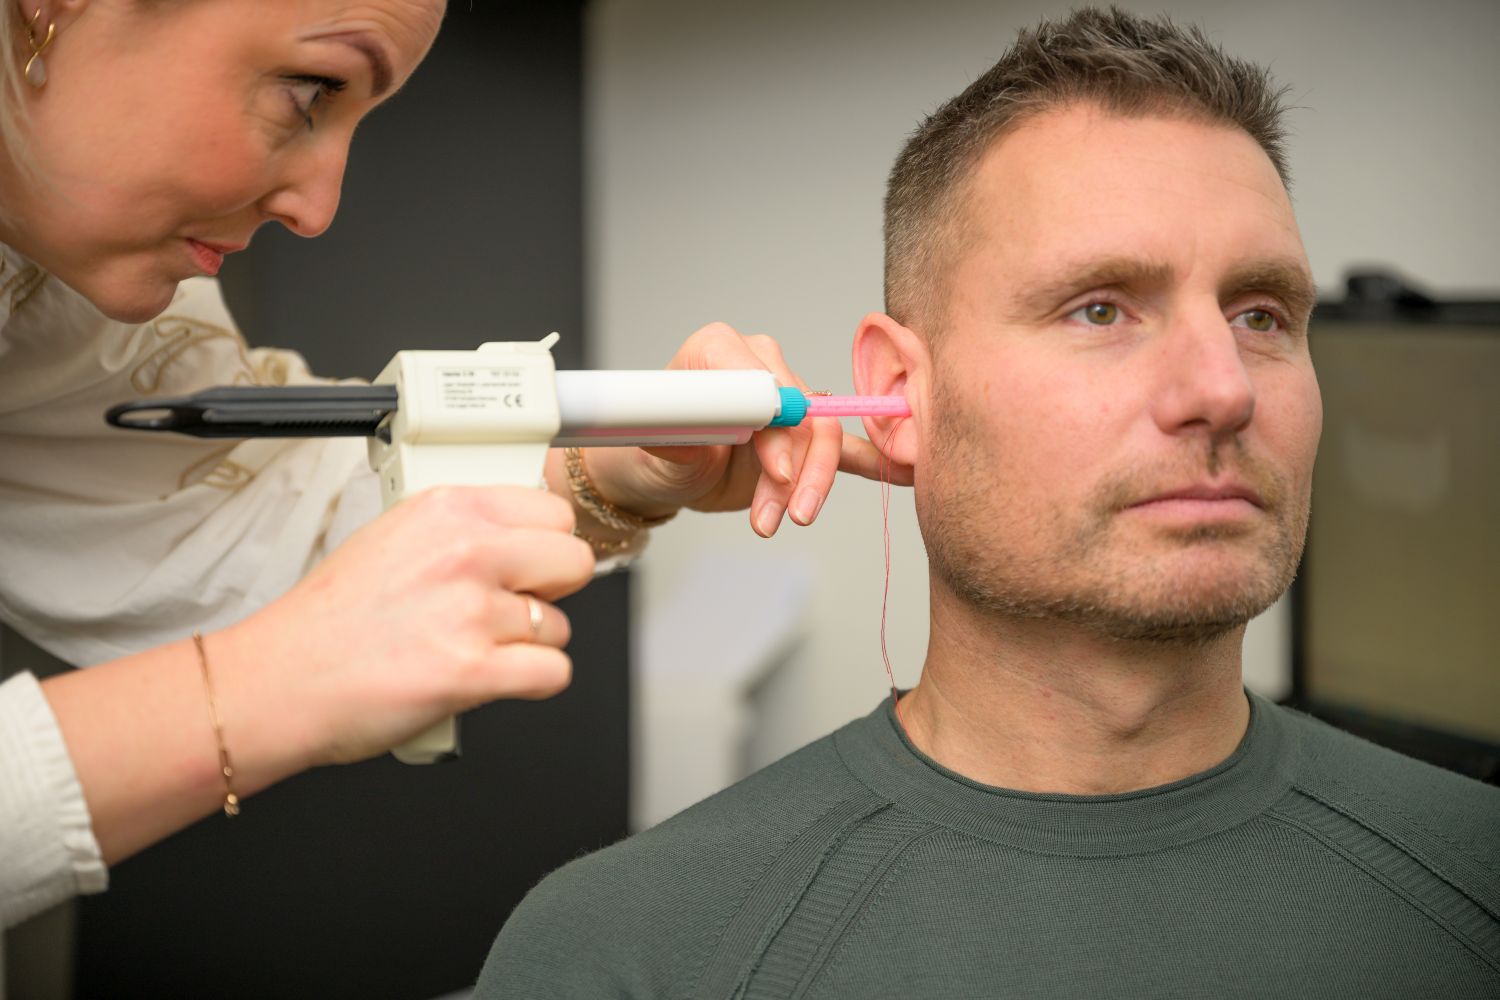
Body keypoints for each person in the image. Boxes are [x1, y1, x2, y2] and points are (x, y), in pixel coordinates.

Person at [475, 8, 1500, 998]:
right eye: (1100, 309)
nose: (1225, 389)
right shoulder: (632, 953)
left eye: (1262, 315)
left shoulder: (1476, 876)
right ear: (900, 391)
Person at [0, 0, 892, 931]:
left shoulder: (56, 301)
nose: (318, 209)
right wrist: (254, 689)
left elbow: (227, 519)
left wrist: (614, 472)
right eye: (310, 91)